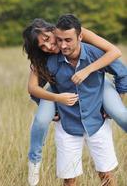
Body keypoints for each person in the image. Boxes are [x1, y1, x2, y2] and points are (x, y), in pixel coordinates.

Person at [23, 18, 127, 186]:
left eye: (49, 40)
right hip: (67, 120)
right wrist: (55, 107)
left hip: (96, 114)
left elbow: (115, 55)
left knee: (121, 114)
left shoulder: (83, 39)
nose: (50, 47)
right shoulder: (46, 60)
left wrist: (88, 71)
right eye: (42, 46)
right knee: (41, 120)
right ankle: (34, 161)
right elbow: (33, 89)